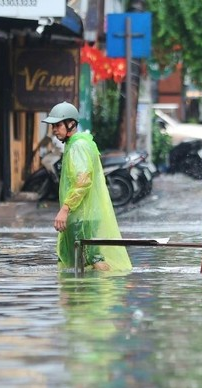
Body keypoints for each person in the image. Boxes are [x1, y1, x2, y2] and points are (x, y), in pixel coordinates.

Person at [44, 102, 131, 272]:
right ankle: (85, 289)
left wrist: (65, 209)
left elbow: (82, 181)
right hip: (83, 214)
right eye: (53, 126)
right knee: (82, 261)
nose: (54, 130)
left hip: (82, 216)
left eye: (58, 125)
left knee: (92, 258)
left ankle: (106, 284)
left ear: (71, 124)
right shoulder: (79, 143)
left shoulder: (78, 146)